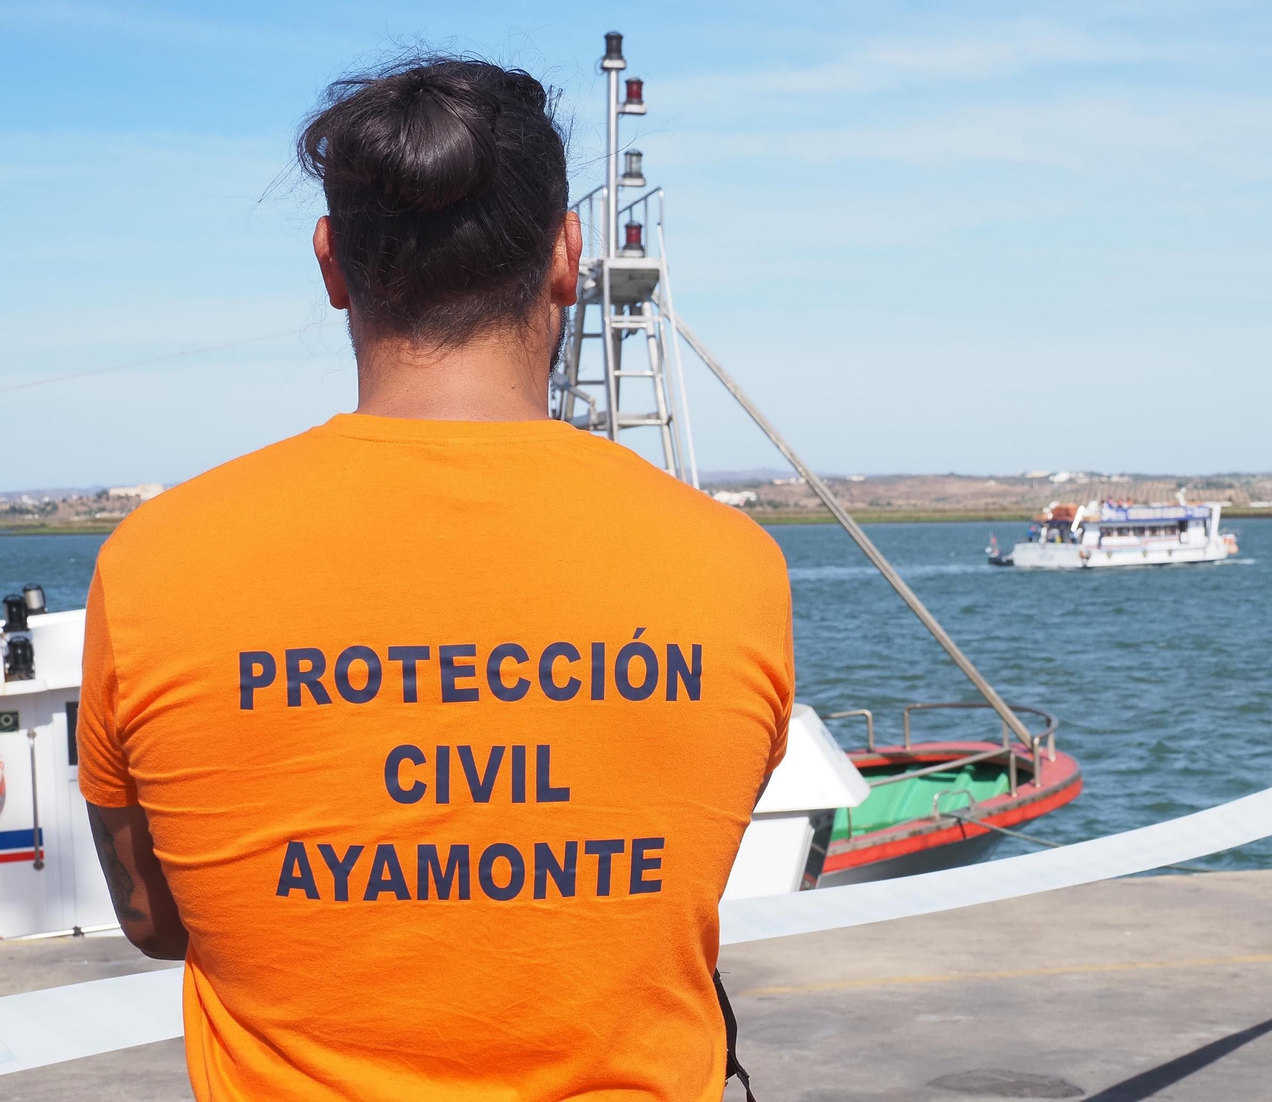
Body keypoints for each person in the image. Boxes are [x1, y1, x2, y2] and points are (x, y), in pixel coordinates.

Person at [76, 56, 792, 1101]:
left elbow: (154, 921)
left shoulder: (157, 561)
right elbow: (664, 896)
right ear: (567, 254)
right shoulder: (733, 567)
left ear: (332, 263)